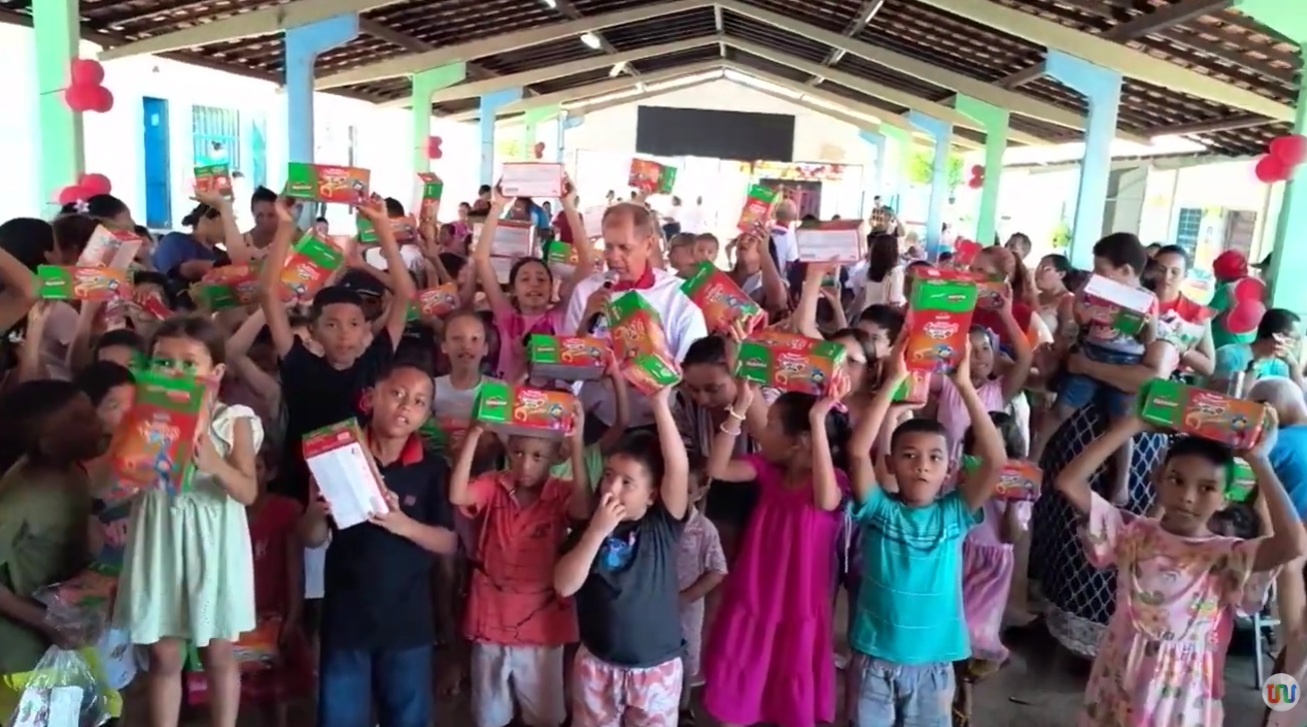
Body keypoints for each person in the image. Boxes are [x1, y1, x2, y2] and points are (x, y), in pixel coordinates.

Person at [1054, 413, 1304, 724]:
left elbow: (1294, 544)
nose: (1187, 496)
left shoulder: (1224, 555)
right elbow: (1069, 482)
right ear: (1158, 479)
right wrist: (1132, 425)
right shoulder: (1133, 533)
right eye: (1176, 479)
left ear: (1226, 498)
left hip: (1181, 697)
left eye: (1207, 488)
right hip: (1116, 681)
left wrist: (1259, 461)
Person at [844, 335, 1008, 727]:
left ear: (949, 470)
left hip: (933, 664)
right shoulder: (879, 509)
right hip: (874, 660)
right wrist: (893, 381)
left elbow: (996, 459)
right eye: (909, 455)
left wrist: (965, 385)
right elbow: (855, 451)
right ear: (891, 463)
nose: (921, 465)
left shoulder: (954, 515)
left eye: (935, 457)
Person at [114, 315, 264, 727]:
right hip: (160, 537)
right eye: (164, 362)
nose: (176, 372)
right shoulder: (142, 416)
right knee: (164, 653)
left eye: (189, 363)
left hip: (214, 542)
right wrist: (127, 471)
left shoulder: (234, 420)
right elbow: (115, 482)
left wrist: (214, 463)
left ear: (215, 372)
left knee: (218, 650)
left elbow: (248, 492)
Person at [299, 362, 458, 727]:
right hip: (346, 620)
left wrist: (402, 524)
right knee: (340, 718)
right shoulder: (335, 457)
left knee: (407, 718)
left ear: (426, 415)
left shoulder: (431, 469)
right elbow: (312, 538)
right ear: (371, 398)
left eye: (418, 402)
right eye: (396, 394)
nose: (405, 407)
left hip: (408, 623)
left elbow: (448, 542)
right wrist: (315, 511)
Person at [699, 386, 848, 727]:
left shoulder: (830, 481)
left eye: (771, 424)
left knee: (786, 686)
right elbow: (717, 468)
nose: (763, 432)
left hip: (797, 604)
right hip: (754, 594)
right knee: (739, 677)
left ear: (797, 442)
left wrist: (817, 418)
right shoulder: (765, 470)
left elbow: (826, 500)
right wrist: (739, 409)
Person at [448, 399, 592, 727]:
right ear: (508, 450)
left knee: (545, 715)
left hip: (542, 622)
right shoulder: (494, 484)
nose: (525, 464)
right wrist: (474, 433)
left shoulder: (560, 492)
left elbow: (583, 510)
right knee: (489, 713)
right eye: (518, 452)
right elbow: (457, 495)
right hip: (491, 616)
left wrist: (577, 444)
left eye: (538, 456)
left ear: (557, 458)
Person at [258, 197, 411, 503]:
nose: (344, 334)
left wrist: (382, 227)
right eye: (332, 325)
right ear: (313, 331)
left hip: (360, 490)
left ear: (365, 329)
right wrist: (286, 227)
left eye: (354, 324)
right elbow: (267, 293)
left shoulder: (374, 363)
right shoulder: (299, 363)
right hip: (300, 491)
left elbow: (406, 294)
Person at [553, 385, 689, 727]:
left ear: (651, 494)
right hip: (598, 665)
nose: (611, 488)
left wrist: (659, 404)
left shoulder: (661, 525)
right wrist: (596, 532)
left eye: (627, 482)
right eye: (609, 476)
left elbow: (679, 467)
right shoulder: (591, 525)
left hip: (655, 669)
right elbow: (564, 585)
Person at [0, 380, 110, 719]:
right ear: (48, 445)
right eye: (82, 421)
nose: (100, 425)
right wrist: (44, 621)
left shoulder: (74, 473)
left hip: (65, 641)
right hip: (21, 658)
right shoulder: (17, 501)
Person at [1030, 233, 1157, 506]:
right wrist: (1084, 313)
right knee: (1061, 409)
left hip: (1126, 363)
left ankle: (1121, 483)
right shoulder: (1094, 287)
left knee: (1121, 424)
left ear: (1126, 271)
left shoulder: (1146, 299)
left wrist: (1145, 325)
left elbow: (1152, 339)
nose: (1095, 274)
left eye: (1102, 269)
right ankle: (1033, 458)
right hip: (1090, 353)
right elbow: (1078, 310)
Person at [563, 203, 707, 434]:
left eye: (624, 247)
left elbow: (692, 369)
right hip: (595, 418)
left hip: (657, 422)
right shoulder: (587, 291)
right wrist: (585, 324)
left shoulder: (680, 296)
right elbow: (566, 366)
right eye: (608, 246)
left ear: (649, 244)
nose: (614, 257)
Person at [475, 186, 590, 380]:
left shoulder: (561, 315)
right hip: (508, 400)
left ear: (551, 287)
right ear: (513, 290)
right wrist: (498, 205)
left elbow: (586, 261)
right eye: (525, 279)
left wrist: (568, 204)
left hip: (551, 402)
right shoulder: (506, 316)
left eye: (542, 279)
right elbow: (481, 259)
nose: (534, 284)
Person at [675, 461, 726, 722]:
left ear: (698, 493)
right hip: (652, 609)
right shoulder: (652, 520)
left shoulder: (704, 530)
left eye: (685, 489)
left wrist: (686, 597)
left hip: (686, 614)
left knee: (684, 663)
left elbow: (717, 571)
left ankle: (682, 708)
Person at [1149, 245, 1216, 377]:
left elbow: (1208, 367)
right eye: (1161, 270)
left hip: (1169, 379)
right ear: (1152, 271)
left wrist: (1180, 347)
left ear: (1185, 275)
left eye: (1174, 272)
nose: (1166, 277)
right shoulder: (1141, 299)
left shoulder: (1197, 312)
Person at [1212, 308, 1304, 393]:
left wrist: (1293, 365)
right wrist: (1257, 365)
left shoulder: (1279, 365)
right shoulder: (1229, 355)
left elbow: (1301, 397)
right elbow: (1234, 395)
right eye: (1294, 338)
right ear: (1277, 337)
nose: (1296, 344)